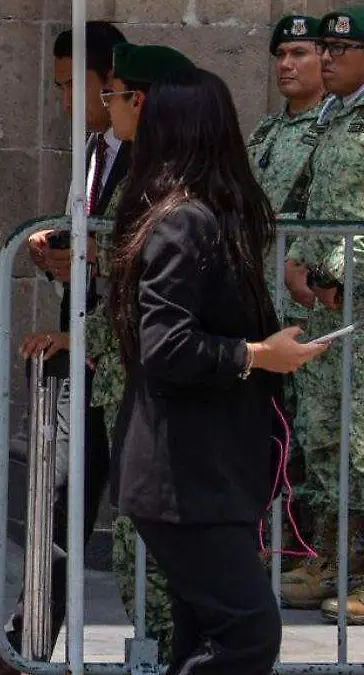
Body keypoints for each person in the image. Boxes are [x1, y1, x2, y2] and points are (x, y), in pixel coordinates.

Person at [108, 66, 327, 673]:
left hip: (203, 472)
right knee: (247, 633)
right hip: (185, 476)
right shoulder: (185, 221)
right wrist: (257, 354)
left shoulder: (197, 216)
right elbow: (166, 344)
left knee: (205, 634)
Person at [0, 21, 128, 675]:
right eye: (55, 88)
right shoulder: (94, 149)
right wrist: (55, 252)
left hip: (124, 359)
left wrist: (89, 255)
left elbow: (145, 248)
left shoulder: (149, 155)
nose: (62, 101)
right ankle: (27, 649)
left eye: (71, 86)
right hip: (76, 352)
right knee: (55, 501)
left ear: (110, 81)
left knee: (135, 518)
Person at [90, 42, 196, 664]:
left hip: (159, 385)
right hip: (126, 376)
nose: (107, 106)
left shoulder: (172, 185)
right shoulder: (139, 170)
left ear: (144, 100)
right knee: (133, 539)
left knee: (153, 545)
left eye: (114, 95)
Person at [280, 5, 364, 623]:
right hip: (326, 308)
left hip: (353, 300)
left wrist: (338, 276)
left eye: (341, 50)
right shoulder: (333, 119)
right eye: (326, 50)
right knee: (328, 438)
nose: (327, 58)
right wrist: (298, 264)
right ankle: (335, 559)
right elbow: (313, 202)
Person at [245, 14, 326, 576]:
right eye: (281, 55)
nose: (286, 65)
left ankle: (318, 550)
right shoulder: (267, 132)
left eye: (299, 53)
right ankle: (280, 541)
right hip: (262, 300)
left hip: (307, 303)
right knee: (274, 428)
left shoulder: (334, 131)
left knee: (315, 431)